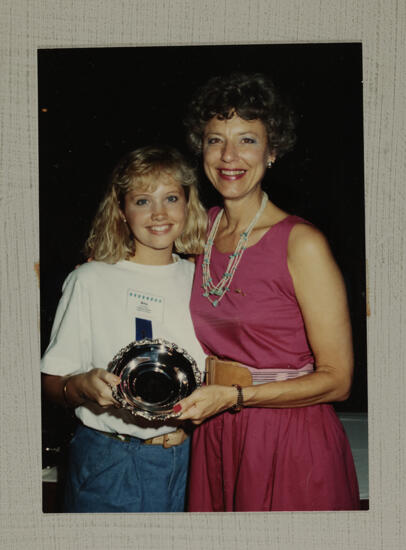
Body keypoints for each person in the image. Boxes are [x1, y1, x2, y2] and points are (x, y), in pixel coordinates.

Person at [175, 72, 360, 511]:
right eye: (215, 140)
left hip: (287, 438)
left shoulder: (301, 243)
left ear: (272, 151)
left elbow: (339, 380)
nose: (229, 156)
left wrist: (237, 396)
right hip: (216, 433)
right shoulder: (197, 230)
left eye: (247, 140)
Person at [41, 145, 207, 512]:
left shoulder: (200, 279)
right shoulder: (90, 279)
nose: (159, 213)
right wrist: (80, 385)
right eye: (143, 201)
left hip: (184, 458)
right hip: (108, 456)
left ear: (188, 203)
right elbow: (51, 382)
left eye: (171, 198)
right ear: (121, 210)